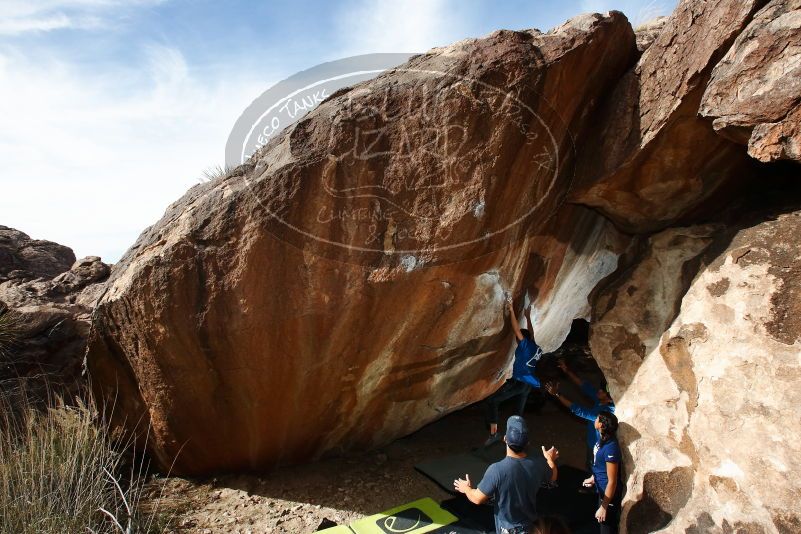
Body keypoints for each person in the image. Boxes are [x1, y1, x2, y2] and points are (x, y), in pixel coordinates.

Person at [454, 415, 559, 534]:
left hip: (508, 528)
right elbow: (553, 477)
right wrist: (550, 459)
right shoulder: (539, 463)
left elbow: (477, 498)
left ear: (504, 439)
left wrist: (466, 489)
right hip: (531, 526)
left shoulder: (497, 470)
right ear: (527, 443)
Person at [483, 299, 544, 447]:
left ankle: (494, 434)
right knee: (517, 413)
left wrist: (511, 311)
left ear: (521, 339)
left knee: (492, 401)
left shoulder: (524, 345)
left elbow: (517, 330)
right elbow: (531, 331)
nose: (518, 341)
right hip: (529, 385)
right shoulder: (535, 346)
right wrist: (528, 317)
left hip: (519, 382)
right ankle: (517, 439)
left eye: (518, 340)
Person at [545, 360, 614, 472]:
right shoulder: (602, 400)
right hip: (592, 442)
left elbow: (578, 410)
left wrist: (557, 394)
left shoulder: (605, 412)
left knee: (595, 469)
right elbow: (584, 385)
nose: (599, 390)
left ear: (610, 398)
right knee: (590, 465)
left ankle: (594, 485)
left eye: (603, 391)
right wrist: (566, 371)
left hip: (598, 447)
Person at [582, 411, 622, 534]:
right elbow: (600, 465)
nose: (595, 420)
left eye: (597, 419)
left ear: (601, 425)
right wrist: (593, 478)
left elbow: (612, 481)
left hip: (608, 496)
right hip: (602, 491)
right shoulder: (602, 439)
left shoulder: (611, 448)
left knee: (607, 529)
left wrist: (604, 506)